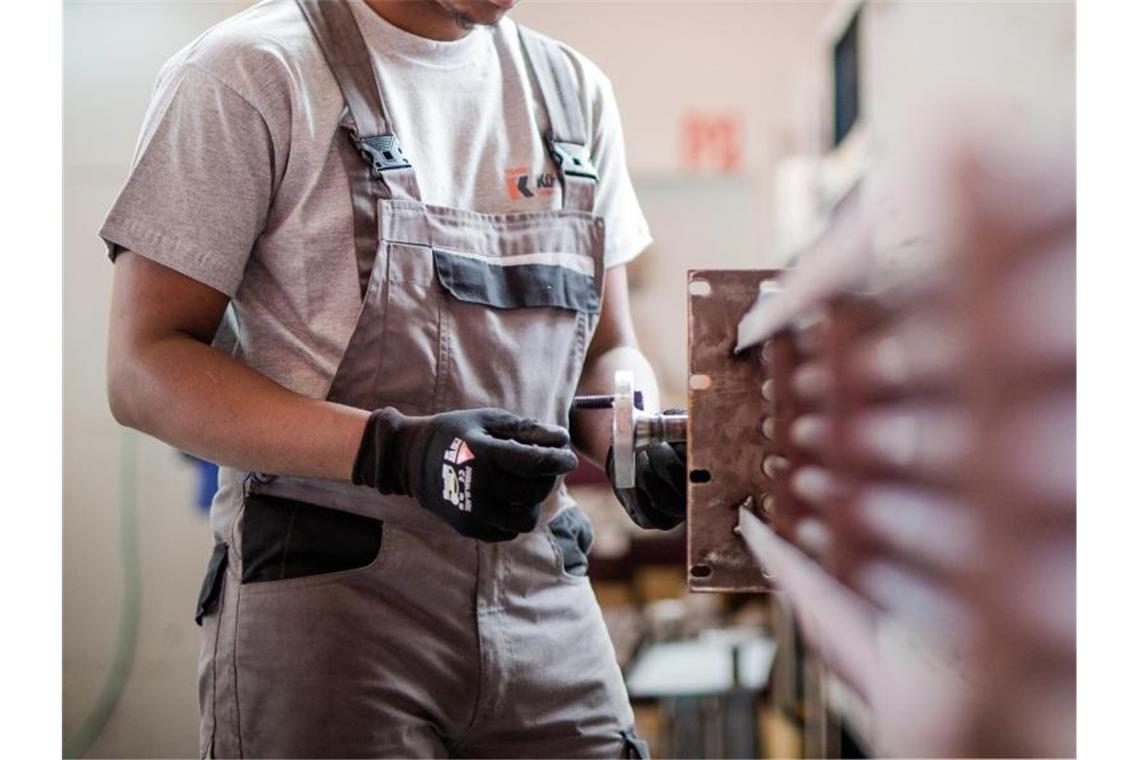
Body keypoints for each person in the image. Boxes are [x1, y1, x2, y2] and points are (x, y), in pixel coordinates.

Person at [102, 0, 686, 756]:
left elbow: (609, 349)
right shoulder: (250, 73)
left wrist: (633, 436)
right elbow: (143, 365)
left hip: (542, 596)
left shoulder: (571, 92)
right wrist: (396, 450)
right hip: (334, 613)